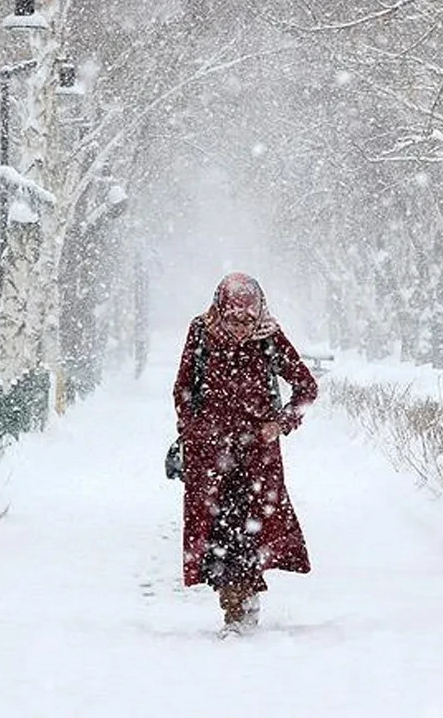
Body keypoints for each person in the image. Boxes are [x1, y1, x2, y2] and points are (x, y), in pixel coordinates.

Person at [172, 272, 318, 635]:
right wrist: (193, 431)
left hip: (258, 458)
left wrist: (280, 424)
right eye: (234, 319)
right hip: (211, 455)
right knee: (218, 533)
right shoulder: (201, 332)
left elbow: (306, 387)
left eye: (248, 320)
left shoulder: (269, 337)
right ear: (221, 310)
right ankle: (233, 605)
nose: (240, 328)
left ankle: (243, 605)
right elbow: (183, 388)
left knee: (251, 531)